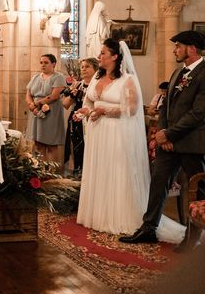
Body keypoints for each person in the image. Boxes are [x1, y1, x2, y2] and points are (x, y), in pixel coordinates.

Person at [76, 38, 185, 242]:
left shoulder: (127, 80)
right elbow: (90, 100)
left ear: (115, 57)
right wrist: (87, 110)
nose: (99, 56)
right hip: (98, 131)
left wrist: (103, 110)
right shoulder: (97, 77)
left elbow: (131, 110)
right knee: (101, 171)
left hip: (116, 133)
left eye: (103, 53)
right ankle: (99, 215)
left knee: (116, 172)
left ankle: (119, 217)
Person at [120, 30, 205, 250]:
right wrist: (163, 131)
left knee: (197, 189)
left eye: (178, 46)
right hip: (169, 141)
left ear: (192, 49)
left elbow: (198, 113)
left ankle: (194, 236)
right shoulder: (179, 72)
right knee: (158, 184)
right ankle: (148, 229)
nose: (175, 50)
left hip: (191, 143)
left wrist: (170, 134)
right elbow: (166, 105)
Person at [25, 54, 66, 164]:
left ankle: (52, 173)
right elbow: (28, 94)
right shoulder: (35, 77)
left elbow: (54, 96)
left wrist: (36, 104)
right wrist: (31, 105)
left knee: (51, 145)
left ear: (53, 64)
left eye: (46, 62)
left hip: (51, 112)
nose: (43, 65)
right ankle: (42, 172)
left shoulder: (58, 77)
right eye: (41, 62)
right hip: (36, 112)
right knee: (38, 144)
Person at [61, 57, 98, 177]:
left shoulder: (97, 84)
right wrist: (72, 95)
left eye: (87, 67)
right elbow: (65, 104)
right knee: (77, 147)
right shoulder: (78, 85)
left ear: (95, 69)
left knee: (90, 146)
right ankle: (78, 171)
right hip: (76, 119)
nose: (84, 69)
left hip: (91, 118)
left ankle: (90, 173)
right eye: (82, 67)